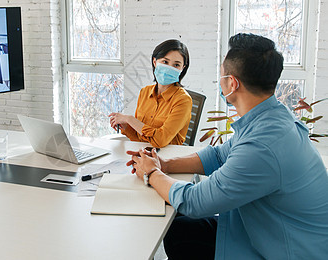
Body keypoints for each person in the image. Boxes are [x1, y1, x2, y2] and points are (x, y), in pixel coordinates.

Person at [126, 33, 328, 259]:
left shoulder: (263, 145)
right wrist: (164, 164)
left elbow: (195, 202)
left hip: (282, 249)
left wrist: (151, 173)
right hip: (263, 229)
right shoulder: (271, 118)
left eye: (221, 74)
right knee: (179, 225)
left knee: (181, 227)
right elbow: (218, 157)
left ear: (232, 83)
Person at [109, 39, 192, 148]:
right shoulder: (145, 92)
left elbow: (160, 140)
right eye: (165, 62)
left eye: (176, 65)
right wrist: (127, 127)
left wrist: (129, 119)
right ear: (154, 62)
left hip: (167, 160)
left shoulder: (183, 100)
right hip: (143, 155)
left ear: (182, 68)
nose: (169, 68)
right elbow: (140, 138)